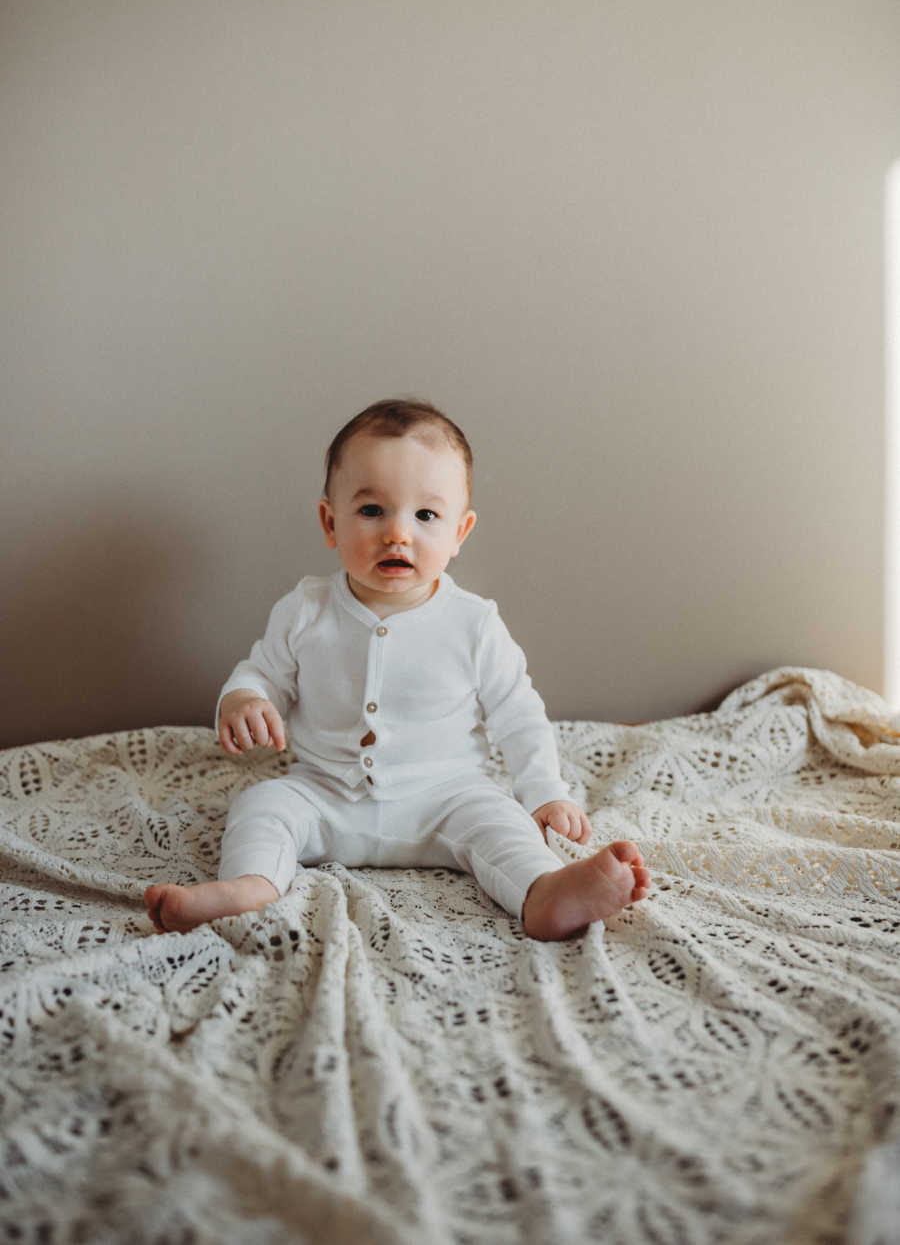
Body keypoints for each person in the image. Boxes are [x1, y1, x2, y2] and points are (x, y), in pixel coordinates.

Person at [145, 399, 650, 940]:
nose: (397, 533)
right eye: (371, 511)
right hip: (326, 793)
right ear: (329, 521)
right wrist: (245, 699)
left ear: (460, 532)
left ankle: (545, 892)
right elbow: (261, 672)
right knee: (262, 805)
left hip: (447, 796)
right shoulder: (305, 611)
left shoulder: (473, 623)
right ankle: (249, 885)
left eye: (425, 515)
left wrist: (545, 792)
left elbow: (518, 713)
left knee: (501, 823)